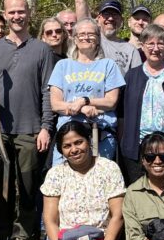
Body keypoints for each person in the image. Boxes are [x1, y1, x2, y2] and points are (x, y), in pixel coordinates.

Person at [0, 0, 56, 240]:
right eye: (11, 12)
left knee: (27, 183)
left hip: (30, 128)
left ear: (29, 13)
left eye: (21, 11)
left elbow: (48, 90)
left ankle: (22, 234)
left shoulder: (41, 49)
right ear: (5, 13)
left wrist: (46, 126)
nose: (16, 16)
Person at [31, 122, 126, 240]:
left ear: (89, 141)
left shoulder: (109, 169)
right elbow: (50, 220)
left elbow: (117, 216)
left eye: (78, 142)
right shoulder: (56, 174)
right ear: (61, 150)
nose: (74, 149)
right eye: (67, 146)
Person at [118, 24, 164, 184]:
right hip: (135, 150)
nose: (155, 48)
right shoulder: (131, 76)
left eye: (160, 43)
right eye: (150, 44)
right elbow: (122, 114)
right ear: (142, 46)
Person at [49, 18, 125, 162]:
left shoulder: (108, 65)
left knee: (98, 179)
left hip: (99, 136)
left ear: (98, 39)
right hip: (68, 136)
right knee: (64, 180)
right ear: (75, 39)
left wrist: (85, 100)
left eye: (91, 34)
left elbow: (111, 102)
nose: (86, 37)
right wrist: (81, 108)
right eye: (81, 34)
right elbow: (56, 104)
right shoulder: (62, 65)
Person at [74, 0, 141, 76]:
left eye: (115, 15)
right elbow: (79, 1)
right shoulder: (92, 38)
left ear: (121, 20)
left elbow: (137, 83)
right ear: (98, 18)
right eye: (106, 14)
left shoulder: (131, 51)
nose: (110, 18)